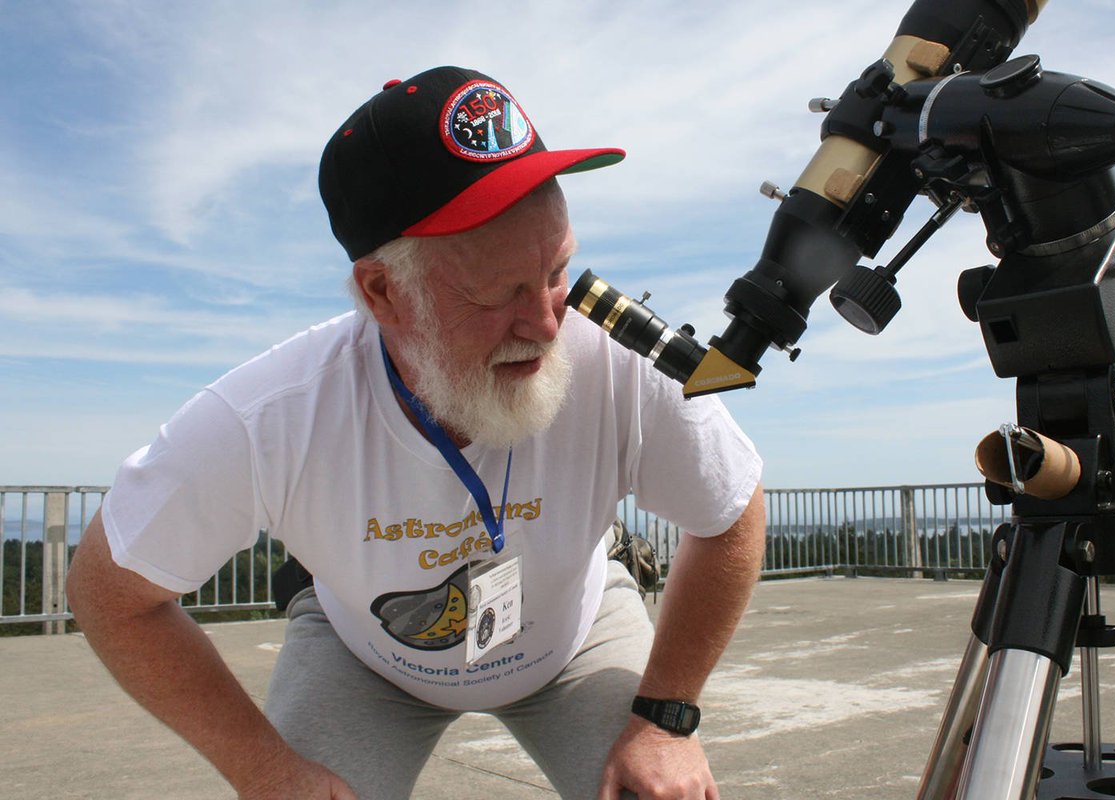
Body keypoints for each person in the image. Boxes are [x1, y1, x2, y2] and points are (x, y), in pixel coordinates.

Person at [66, 65, 765, 800]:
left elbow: (733, 509)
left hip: (576, 638)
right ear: (382, 292)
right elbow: (108, 592)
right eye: (501, 293)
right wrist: (262, 768)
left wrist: (666, 719)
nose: (548, 323)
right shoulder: (271, 415)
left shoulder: (616, 359)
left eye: (558, 271)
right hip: (364, 661)